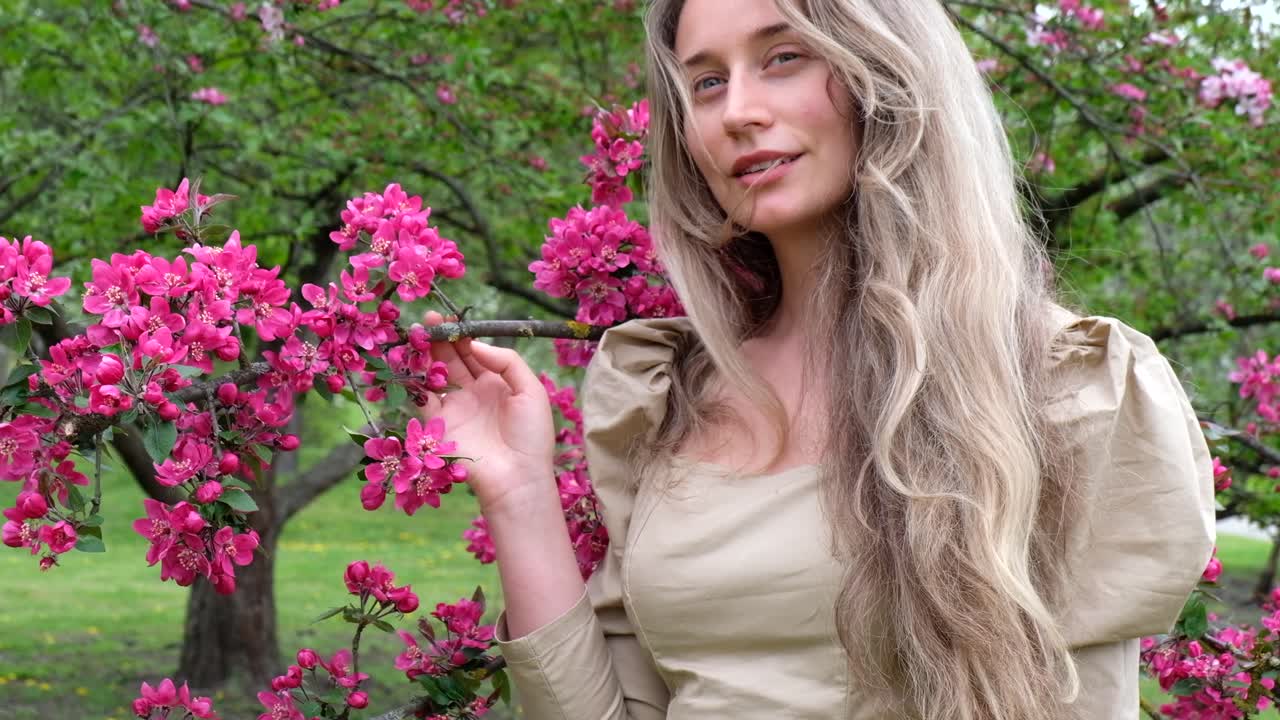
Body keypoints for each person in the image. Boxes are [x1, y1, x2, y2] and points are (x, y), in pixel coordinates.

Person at [421, 0, 1217, 717]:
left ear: (889, 73)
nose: (736, 111)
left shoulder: (1060, 386)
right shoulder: (669, 397)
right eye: (704, 83)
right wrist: (521, 491)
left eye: (783, 56)